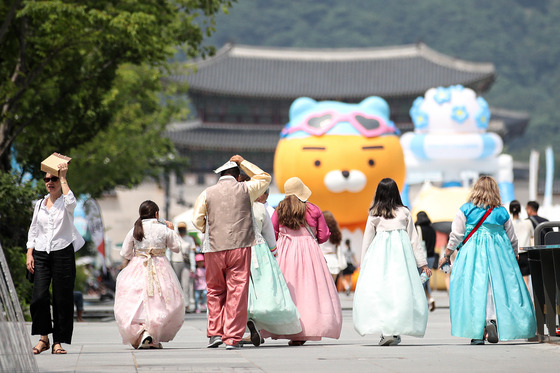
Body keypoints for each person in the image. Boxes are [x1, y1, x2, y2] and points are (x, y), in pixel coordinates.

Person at [439, 176, 536, 345]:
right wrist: (514, 255)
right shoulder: (501, 212)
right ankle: (492, 320)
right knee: (497, 287)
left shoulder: (466, 209)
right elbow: (512, 238)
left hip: (472, 253)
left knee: (474, 288)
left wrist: (447, 254)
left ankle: (477, 331)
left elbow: (456, 235)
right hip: (499, 253)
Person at [192, 155, 271, 350]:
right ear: (237, 176)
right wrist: (243, 161)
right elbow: (264, 177)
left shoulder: (207, 193)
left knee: (214, 291)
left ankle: (215, 334)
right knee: (237, 291)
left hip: (213, 248)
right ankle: (232, 337)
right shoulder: (246, 189)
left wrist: (209, 230)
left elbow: (197, 219)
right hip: (240, 246)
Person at [263, 177, 342, 346]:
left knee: (288, 290)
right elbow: (324, 235)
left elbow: (272, 231)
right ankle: (307, 328)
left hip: (286, 250)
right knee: (310, 290)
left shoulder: (280, 209)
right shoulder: (313, 209)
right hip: (309, 252)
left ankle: (288, 327)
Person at [353, 178, 431, 346]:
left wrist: (363, 262)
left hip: (379, 258)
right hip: (402, 259)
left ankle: (386, 331)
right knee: (400, 292)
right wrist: (422, 264)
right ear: (396, 192)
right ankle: (394, 331)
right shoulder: (404, 212)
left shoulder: (374, 212)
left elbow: (367, 240)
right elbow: (414, 240)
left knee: (382, 292)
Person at [26, 161, 85, 355]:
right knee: (39, 297)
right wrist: (29, 253)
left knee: (63, 299)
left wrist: (64, 176)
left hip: (63, 252)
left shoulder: (65, 203)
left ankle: (58, 341)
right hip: (41, 252)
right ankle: (43, 338)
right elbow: (33, 229)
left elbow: (72, 202)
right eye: (47, 179)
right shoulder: (39, 204)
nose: (49, 182)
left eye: (53, 179)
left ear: (59, 181)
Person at [114, 200, 185, 349]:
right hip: (160, 267)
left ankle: (143, 332)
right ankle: (152, 333)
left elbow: (125, 253)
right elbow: (177, 248)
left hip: (138, 266)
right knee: (160, 300)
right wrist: (172, 230)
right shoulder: (163, 229)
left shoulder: (134, 230)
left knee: (137, 300)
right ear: (157, 214)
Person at [243, 192, 301, 346]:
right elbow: (269, 233)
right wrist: (274, 251)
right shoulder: (260, 208)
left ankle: (242, 324)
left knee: (242, 289)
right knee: (265, 287)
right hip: (260, 249)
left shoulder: (234, 205)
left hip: (239, 249)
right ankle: (261, 320)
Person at [509, 200, 534, 291]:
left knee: (514, 282)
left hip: (512, 254)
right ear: (520, 210)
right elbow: (532, 236)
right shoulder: (527, 222)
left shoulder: (509, 223)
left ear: (510, 210)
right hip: (525, 254)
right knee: (526, 282)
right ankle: (529, 303)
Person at [415, 211, 437, 312]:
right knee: (426, 279)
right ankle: (429, 298)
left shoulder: (418, 229)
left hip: (422, 258)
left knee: (421, 281)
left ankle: (423, 302)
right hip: (431, 257)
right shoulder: (432, 229)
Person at [319, 211, 346, 284]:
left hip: (323, 260)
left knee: (324, 287)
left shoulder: (320, 232)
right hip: (334, 261)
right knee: (333, 286)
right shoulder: (336, 233)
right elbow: (339, 249)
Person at [176, 222, 196, 312]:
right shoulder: (175, 238)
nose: (182, 230)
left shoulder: (189, 239)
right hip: (175, 262)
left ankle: (186, 304)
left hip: (186, 263)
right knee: (176, 284)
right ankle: (177, 304)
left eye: (183, 228)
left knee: (186, 284)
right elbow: (169, 251)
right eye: (180, 229)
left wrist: (193, 266)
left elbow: (192, 253)